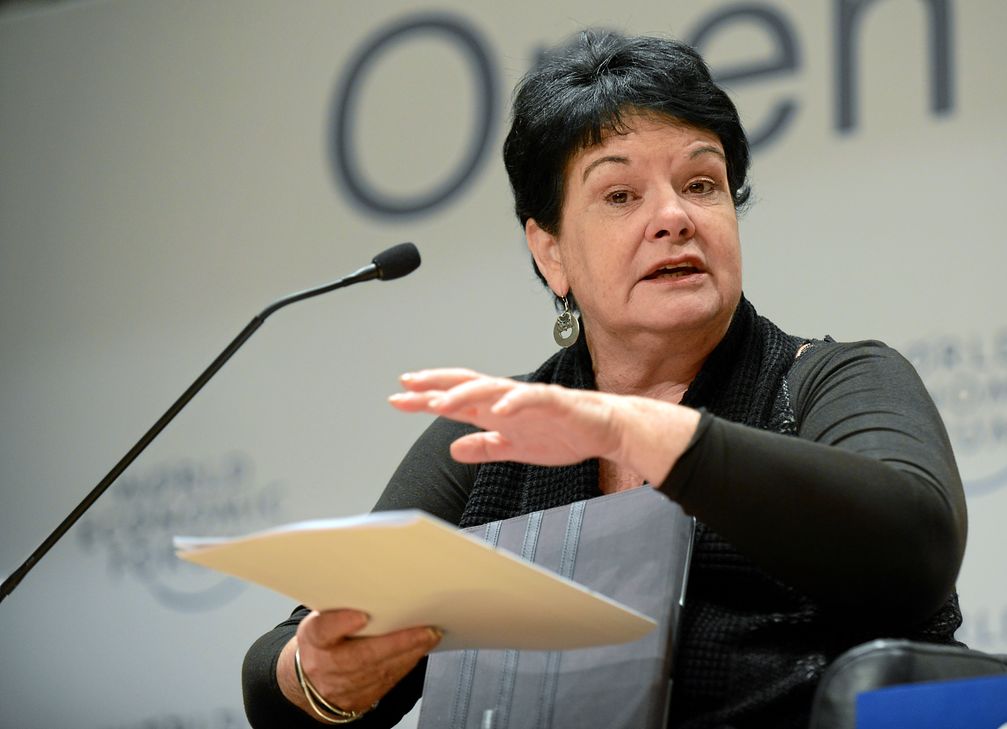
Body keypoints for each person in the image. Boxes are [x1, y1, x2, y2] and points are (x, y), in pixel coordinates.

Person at [242, 30, 966, 728]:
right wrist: (317, 673)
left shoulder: (825, 383)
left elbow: (914, 548)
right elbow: (283, 667)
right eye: (620, 195)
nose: (674, 217)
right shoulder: (491, 437)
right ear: (548, 249)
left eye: (700, 182)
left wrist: (632, 427)